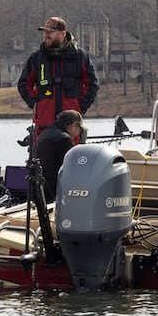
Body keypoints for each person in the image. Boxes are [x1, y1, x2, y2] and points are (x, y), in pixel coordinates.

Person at [17, 15, 98, 147]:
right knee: (43, 161)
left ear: (62, 34)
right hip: (44, 123)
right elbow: (24, 84)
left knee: (71, 160)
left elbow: (92, 84)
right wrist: (35, 104)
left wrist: (81, 107)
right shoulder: (37, 58)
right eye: (45, 32)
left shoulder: (79, 56)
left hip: (71, 126)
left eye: (50, 32)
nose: (46, 36)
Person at [31, 109, 83, 200]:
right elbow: (74, 166)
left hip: (40, 187)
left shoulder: (45, 133)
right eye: (80, 129)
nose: (80, 132)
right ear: (73, 126)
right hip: (54, 190)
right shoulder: (64, 139)